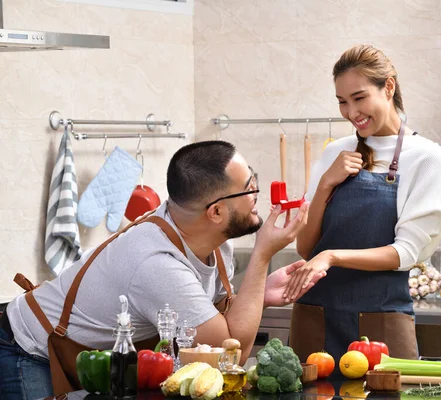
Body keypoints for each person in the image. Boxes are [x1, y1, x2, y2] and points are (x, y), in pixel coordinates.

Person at [0, 140, 321, 399]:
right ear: (217, 211)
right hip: (29, 352)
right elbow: (228, 356)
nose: (257, 195)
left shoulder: (206, 232)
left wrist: (260, 292)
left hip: (91, 359)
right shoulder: (157, 265)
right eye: (250, 186)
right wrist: (263, 255)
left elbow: (222, 326)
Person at [285, 44, 441, 368]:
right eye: (342, 102)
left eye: (359, 98)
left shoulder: (425, 156)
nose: (351, 112)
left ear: (388, 87)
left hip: (382, 325)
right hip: (314, 318)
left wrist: (332, 256)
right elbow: (305, 247)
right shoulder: (334, 152)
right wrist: (326, 183)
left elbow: (404, 253)